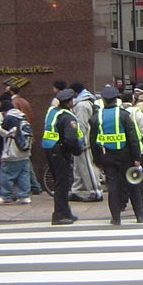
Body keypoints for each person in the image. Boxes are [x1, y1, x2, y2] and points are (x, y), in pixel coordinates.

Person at [90, 84, 143, 225]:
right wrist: (137, 158)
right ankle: (140, 216)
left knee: (113, 187)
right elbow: (132, 138)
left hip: (107, 157)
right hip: (126, 156)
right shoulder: (124, 115)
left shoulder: (96, 118)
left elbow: (93, 141)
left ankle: (115, 218)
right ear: (116, 99)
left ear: (103, 100)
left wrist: (97, 161)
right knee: (132, 185)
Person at [44, 88, 83, 225]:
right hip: (61, 152)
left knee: (59, 183)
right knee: (62, 184)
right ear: (69, 102)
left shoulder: (52, 111)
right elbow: (71, 138)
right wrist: (77, 150)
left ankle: (66, 212)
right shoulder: (67, 117)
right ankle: (59, 215)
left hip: (50, 149)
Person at [68, 82, 104, 202]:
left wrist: (80, 140)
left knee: (87, 166)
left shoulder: (81, 105)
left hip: (85, 140)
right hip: (89, 138)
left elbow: (82, 125)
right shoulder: (88, 101)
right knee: (78, 167)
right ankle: (76, 190)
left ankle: (95, 192)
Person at [0, 97, 33, 204]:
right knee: (23, 174)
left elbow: (2, 132)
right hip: (25, 150)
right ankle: (24, 196)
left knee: (6, 173)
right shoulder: (22, 116)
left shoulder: (9, 117)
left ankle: (6, 196)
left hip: (12, 151)